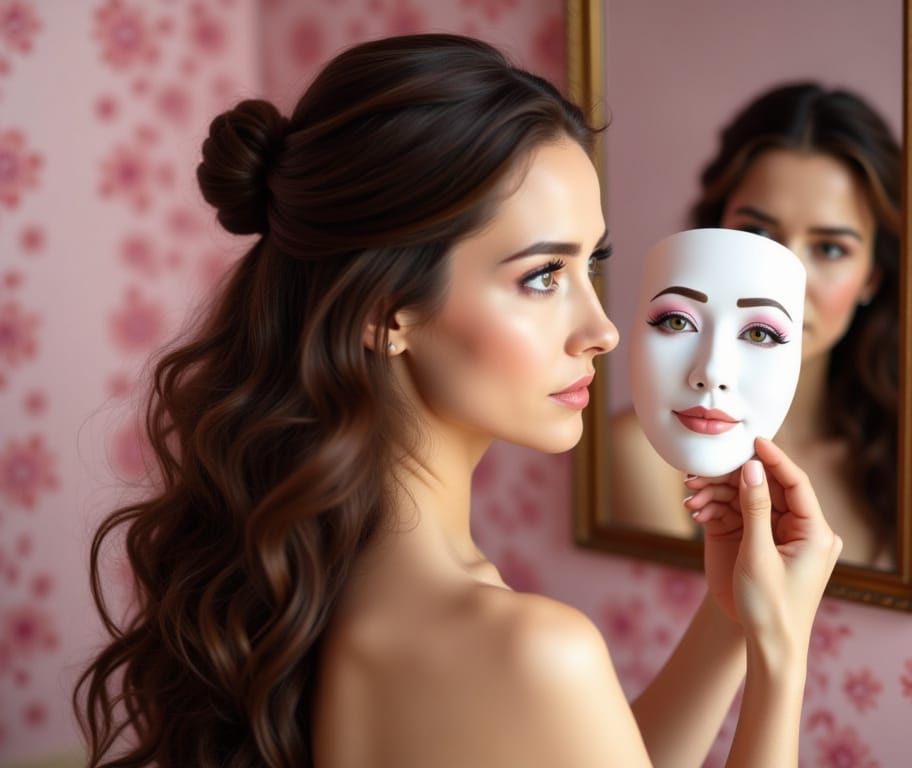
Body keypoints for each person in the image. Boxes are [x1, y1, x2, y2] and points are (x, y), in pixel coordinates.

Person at [74, 36, 842, 767]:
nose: (601, 331)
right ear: (386, 311)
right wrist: (780, 654)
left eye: (591, 265)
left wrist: (728, 620)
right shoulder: (527, 649)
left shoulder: (330, 579)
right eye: (543, 276)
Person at [612, 82, 900, 569]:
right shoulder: (644, 451)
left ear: (871, 276)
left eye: (830, 248)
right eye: (757, 233)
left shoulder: (903, 454)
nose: (784, 279)